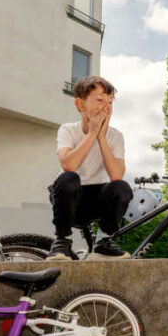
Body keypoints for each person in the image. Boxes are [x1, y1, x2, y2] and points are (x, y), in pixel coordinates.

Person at [46, 76, 132, 261]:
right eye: (100, 100)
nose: (106, 106)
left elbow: (116, 175)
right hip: (69, 200)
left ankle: (102, 243)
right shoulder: (68, 130)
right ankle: (62, 241)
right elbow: (68, 164)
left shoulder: (115, 136)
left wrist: (101, 138)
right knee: (68, 178)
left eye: (110, 102)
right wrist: (92, 133)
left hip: (98, 201)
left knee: (121, 187)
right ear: (80, 104)